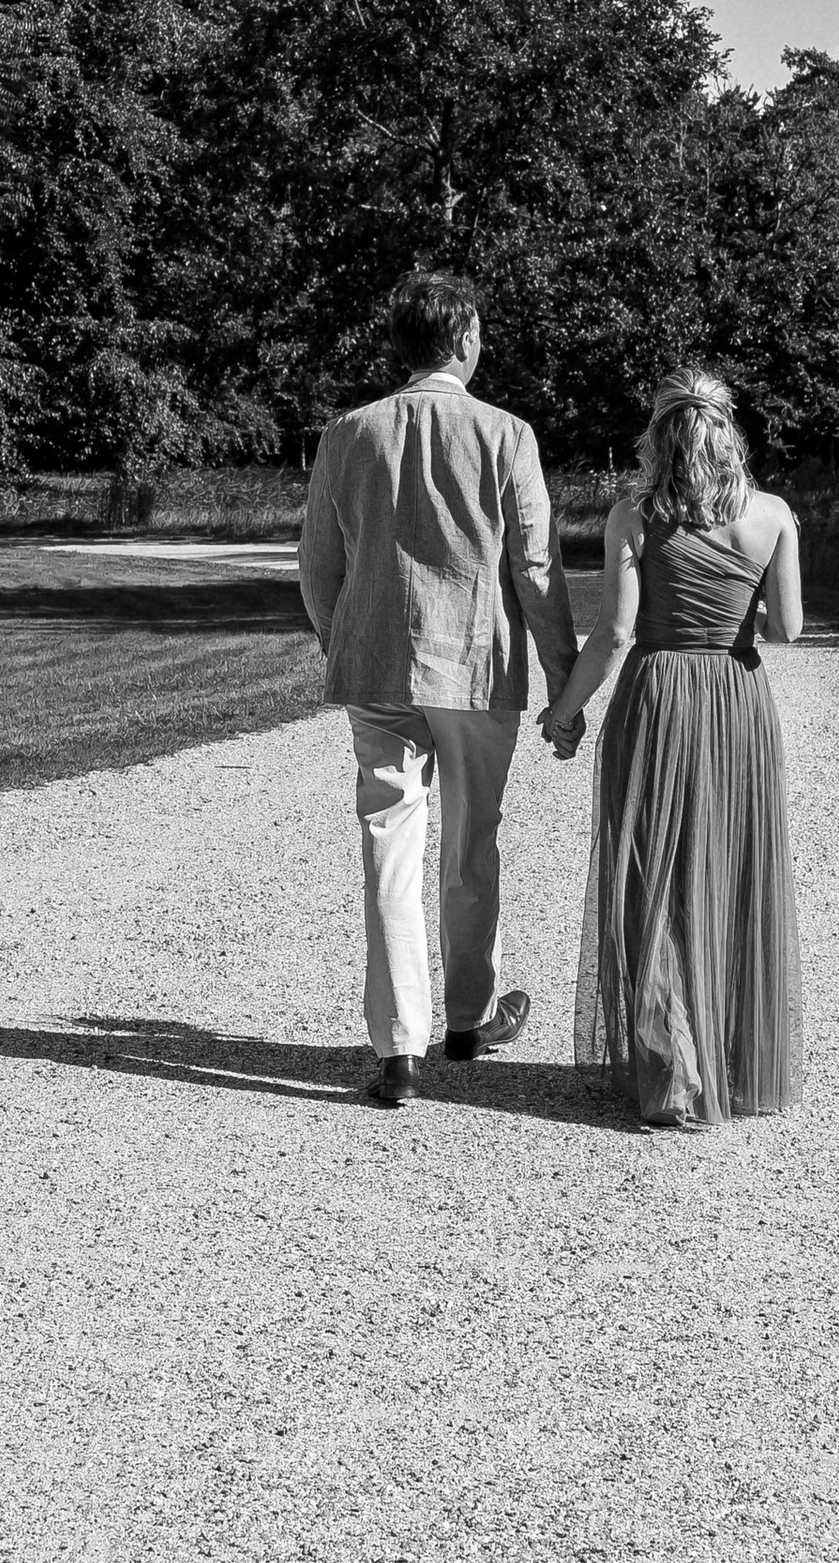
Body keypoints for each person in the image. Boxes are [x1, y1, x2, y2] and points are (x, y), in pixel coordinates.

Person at [297, 270, 580, 1110]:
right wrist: (564, 683)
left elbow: (317, 564)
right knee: (471, 842)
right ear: (461, 341)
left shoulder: (348, 432)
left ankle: (398, 1050)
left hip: (379, 664)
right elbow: (535, 567)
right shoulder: (506, 434)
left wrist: (342, 640)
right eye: (479, 333)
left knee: (389, 846)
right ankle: (466, 1020)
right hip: (477, 666)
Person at [541, 369, 802, 1132]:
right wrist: (734, 607)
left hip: (657, 697)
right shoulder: (774, 515)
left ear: (658, 436)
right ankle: (728, 1059)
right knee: (729, 868)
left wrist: (563, 713)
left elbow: (615, 632)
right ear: (730, 433)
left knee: (651, 873)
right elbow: (788, 629)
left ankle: (673, 1071)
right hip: (736, 701)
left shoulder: (635, 516)